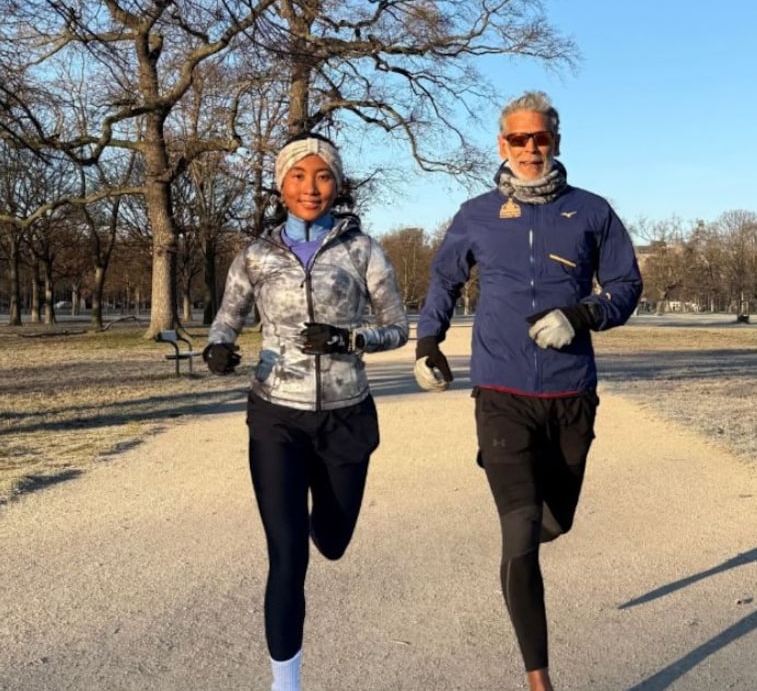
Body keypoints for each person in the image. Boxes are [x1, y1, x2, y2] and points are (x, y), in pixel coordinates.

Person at [412, 91, 642, 691]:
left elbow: (626, 285)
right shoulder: (477, 213)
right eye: (519, 139)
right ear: (502, 145)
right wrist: (428, 341)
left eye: (540, 138)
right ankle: (539, 679)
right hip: (501, 391)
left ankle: (526, 513)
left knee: (555, 523)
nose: (530, 149)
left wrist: (582, 315)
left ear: (556, 142)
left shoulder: (592, 211)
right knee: (519, 535)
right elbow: (444, 278)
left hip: (570, 394)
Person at [205, 132, 409, 691]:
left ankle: (325, 523)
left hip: (346, 414)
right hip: (277, 414)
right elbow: (228, 316)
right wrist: (219, 346)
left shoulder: (363, 250)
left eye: (322, 176)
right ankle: (285, 682)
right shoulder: (255, 255)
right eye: (298, 176)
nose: (310, 187)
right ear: (281, 185)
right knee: (287, 555)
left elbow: (397, 326)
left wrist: (349, 340)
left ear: (337, 184)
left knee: (333, 542)